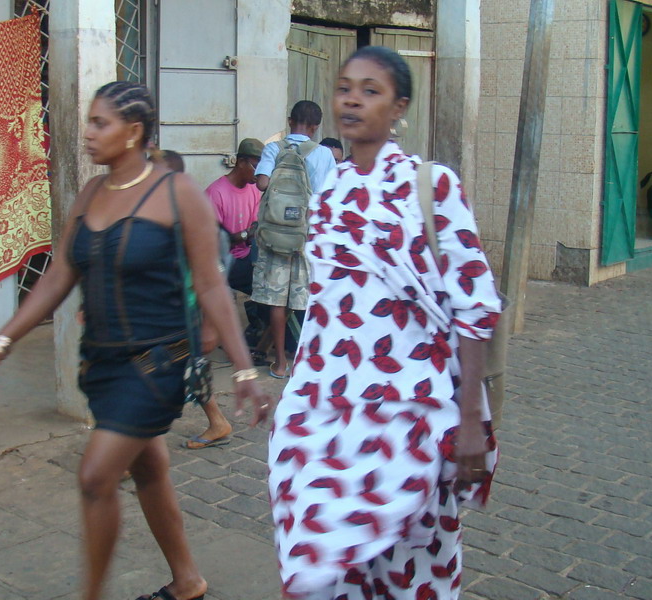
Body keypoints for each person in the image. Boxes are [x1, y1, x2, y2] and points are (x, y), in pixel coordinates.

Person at [0, 81, 270, 600]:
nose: (87, 132)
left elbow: (211, 285)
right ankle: (188, 581)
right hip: (102, 364)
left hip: (156, 364)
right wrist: (2, 341)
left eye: (99, 123)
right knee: (149, 467)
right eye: (89, 121)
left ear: (133, 132)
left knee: (94, 477)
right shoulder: (91, 194)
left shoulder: (177, 193)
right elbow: (59, 275)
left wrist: (243, 368)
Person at [267, 46, 501, 599]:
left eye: (370, 91)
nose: (352, 99)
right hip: (333, 413)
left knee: (412, 567)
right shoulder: (330, 194)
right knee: (322, 558)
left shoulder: (432, 186)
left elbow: (474, 305)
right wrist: (297, 397)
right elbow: (325, 312)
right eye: (345, 87)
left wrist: (470, 419)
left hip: (415, 414)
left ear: (399, 108)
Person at [150, 147, 236, 450]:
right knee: (183, 370)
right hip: (161, 310)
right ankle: (217, 422)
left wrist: (210, 325)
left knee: (162, 375)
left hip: (184, 312)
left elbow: (215, 273)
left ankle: (137, 448)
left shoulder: (191, 216)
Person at [253, 100, 334, 379]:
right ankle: (306, 359)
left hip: (275, 234)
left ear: (290, 121)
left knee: (277, 301)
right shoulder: (323, 154)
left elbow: (262, 183)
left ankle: (280, 363)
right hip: (306, 237)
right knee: (307, 299)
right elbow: (328, 197)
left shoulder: (273, 149)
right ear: (316, 127)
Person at [205, 138, 264, 296]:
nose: (260, 173)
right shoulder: (215, 193)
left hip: (245, 257)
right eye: (256, 166)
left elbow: (255, 226)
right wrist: (245, 234)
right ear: (242, 162)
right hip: (223, 262)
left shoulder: (254, 190)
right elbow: (212, 242)